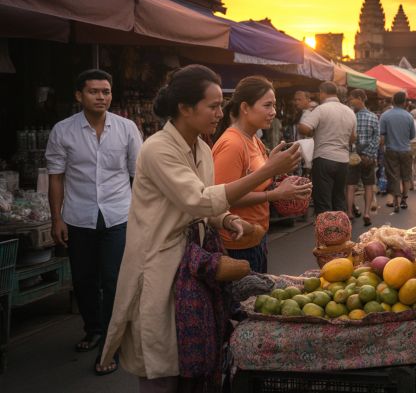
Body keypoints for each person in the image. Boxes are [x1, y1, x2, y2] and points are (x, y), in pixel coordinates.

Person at [101, 65, 302, 391]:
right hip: (160, 267)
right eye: (213, 106)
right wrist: (268, 172)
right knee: (162, 368)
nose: (220, 113)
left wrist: (226, 219)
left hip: (192, 266)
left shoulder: (203, 149)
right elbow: (197, 200)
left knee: (194, 363)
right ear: (185, 108)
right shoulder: (157, 149)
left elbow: (205, 203)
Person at [46, 69, 143, 375]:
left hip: (118, 215)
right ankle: (94, 329)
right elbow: (56, 177)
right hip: (79, 217)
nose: (101, 97)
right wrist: (57, 219)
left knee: (113, 279)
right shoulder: (63, 131)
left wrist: (142, 217)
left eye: (106, 92)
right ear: (79, 95)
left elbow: (139, 177)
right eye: (94, 92)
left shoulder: (127, 129)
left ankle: (111, 344)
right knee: (84, 280)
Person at [212, 76, 312, 272]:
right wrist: (274, 194)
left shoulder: (254, 140)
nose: (273, 112)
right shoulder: (232, 144)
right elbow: (221, 199)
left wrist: (277, 170)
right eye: (267, 105)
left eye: (273, 105)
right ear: (245, 107)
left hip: (256, 237)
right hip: (236, 243)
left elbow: (256, 180)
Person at [298, 81, 356, 214]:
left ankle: (325, 227)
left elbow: (304, 128)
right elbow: (353, 138)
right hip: (343, 161)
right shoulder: (349, 111)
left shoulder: (321, 109)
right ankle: (341, 226)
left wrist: (312, 131)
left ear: (322, 93)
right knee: (339, 199)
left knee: (323, 202)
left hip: (324, 158)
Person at [346, 89, 379, 227]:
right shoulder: (373, 117)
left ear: (359, 98)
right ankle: (366, 213)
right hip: (368, 158)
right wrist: (368, 154)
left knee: (350, 185)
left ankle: (349, 213)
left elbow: (347, 137)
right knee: (368, 186)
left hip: (352, 156)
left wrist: (355, 152)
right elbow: (376, 138)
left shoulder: (350, 116)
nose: (350, 101)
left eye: (352, 99)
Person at [379, 91, 415, 212]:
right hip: (406, 150)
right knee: (406, 176)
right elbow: (412, 135)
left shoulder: (385, 116)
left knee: (394, 176)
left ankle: (396, 202)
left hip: (391, 150)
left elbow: (382, 136)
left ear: (393, 100)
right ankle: (404, 199)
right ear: (404, 102)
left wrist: (381, 150)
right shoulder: (409, 116)